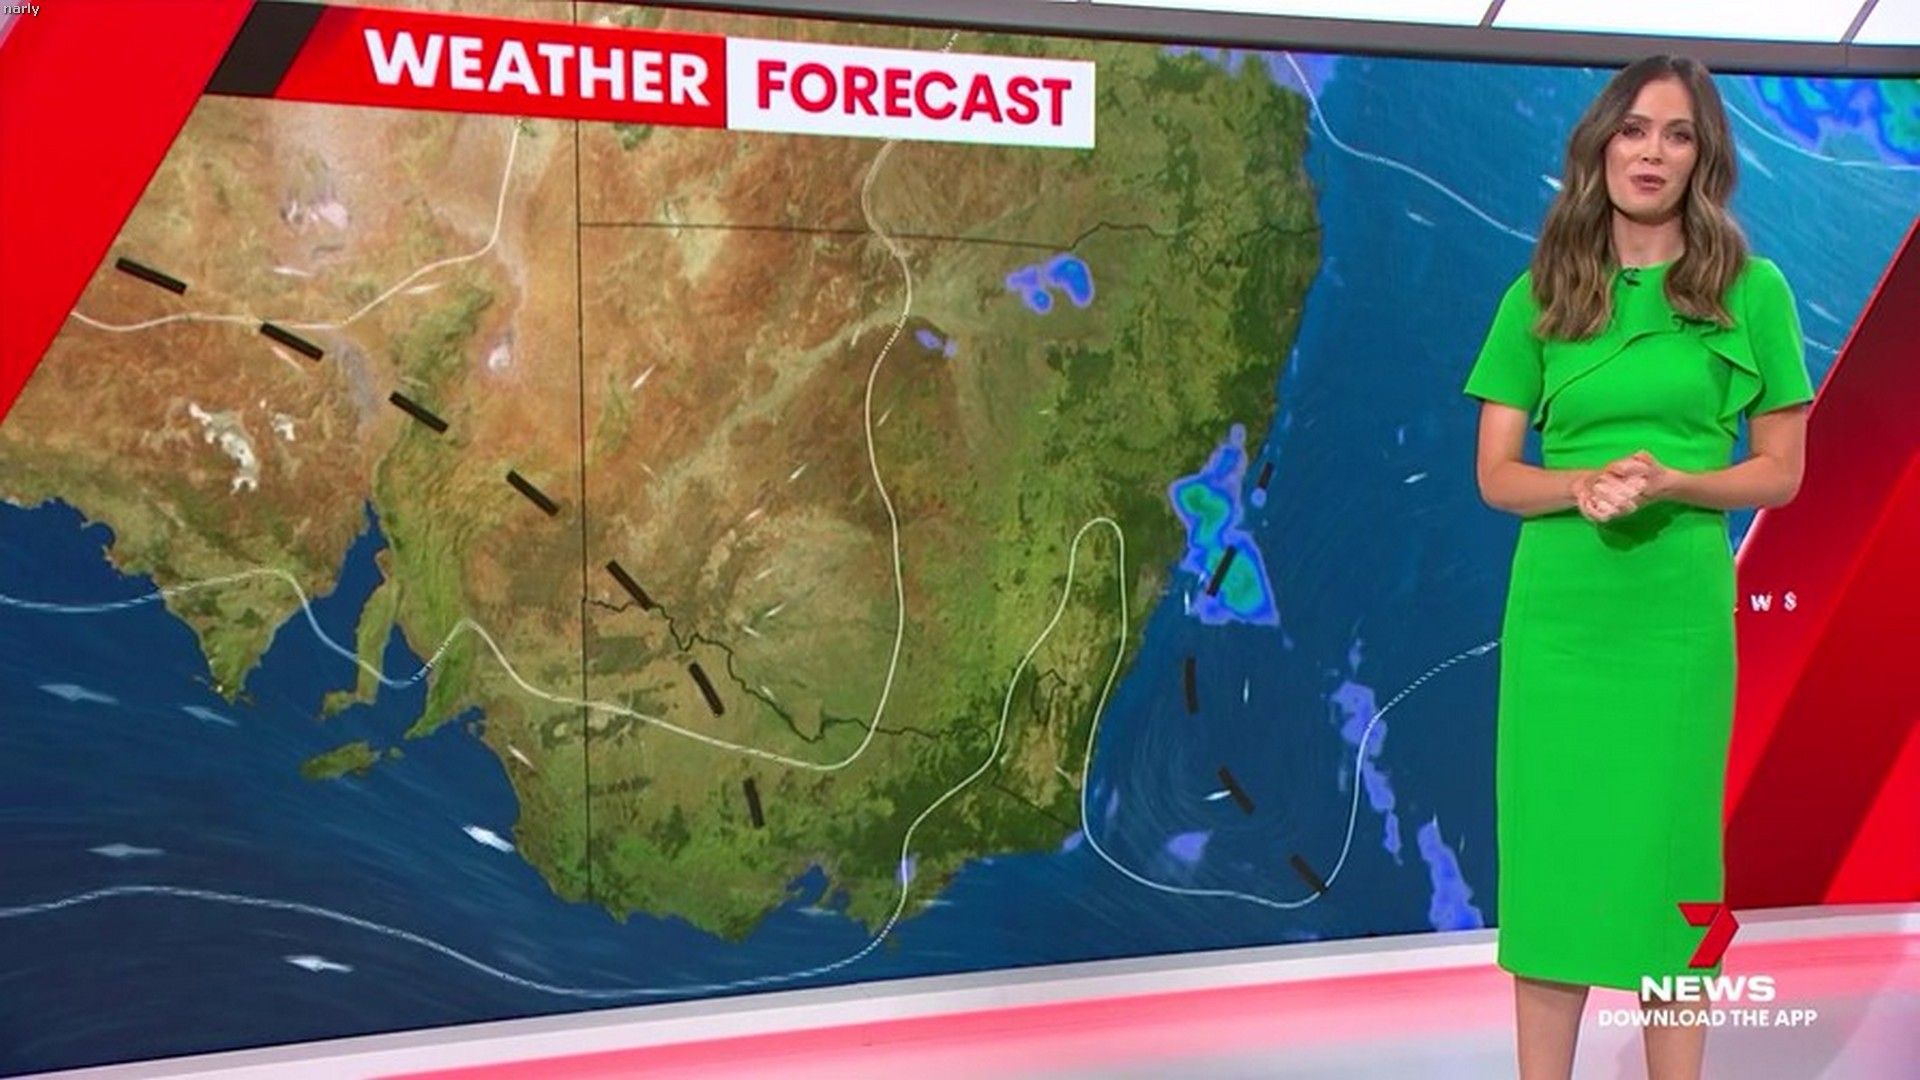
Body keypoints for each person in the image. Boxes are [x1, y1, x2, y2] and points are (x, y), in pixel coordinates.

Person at [1462, 55, 1815, 1080]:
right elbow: (1496, 474)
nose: (1651, 153)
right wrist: (1579, 485)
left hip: (1674, 620)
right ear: (1601, 146)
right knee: (1553, 870)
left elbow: (1782, 471)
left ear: (1704, 158)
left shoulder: (1752, 292)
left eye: (1677, 134)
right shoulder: (1540, 293)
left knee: (1674, 872)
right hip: (1561, 625)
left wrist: (1674, 481)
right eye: (1634, 130)